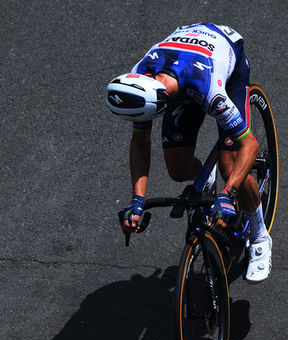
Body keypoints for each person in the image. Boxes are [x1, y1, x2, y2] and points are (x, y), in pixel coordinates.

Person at [105, 23, 272, 282]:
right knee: (178, 169)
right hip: (180, 68)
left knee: (230, 168)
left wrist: (228, 194)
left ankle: (260, 233)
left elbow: (251, 144)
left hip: (221, 63)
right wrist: (137, 199)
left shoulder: (210, 90)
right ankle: (205, 178)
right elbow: (140, 141)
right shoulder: (140, 77)